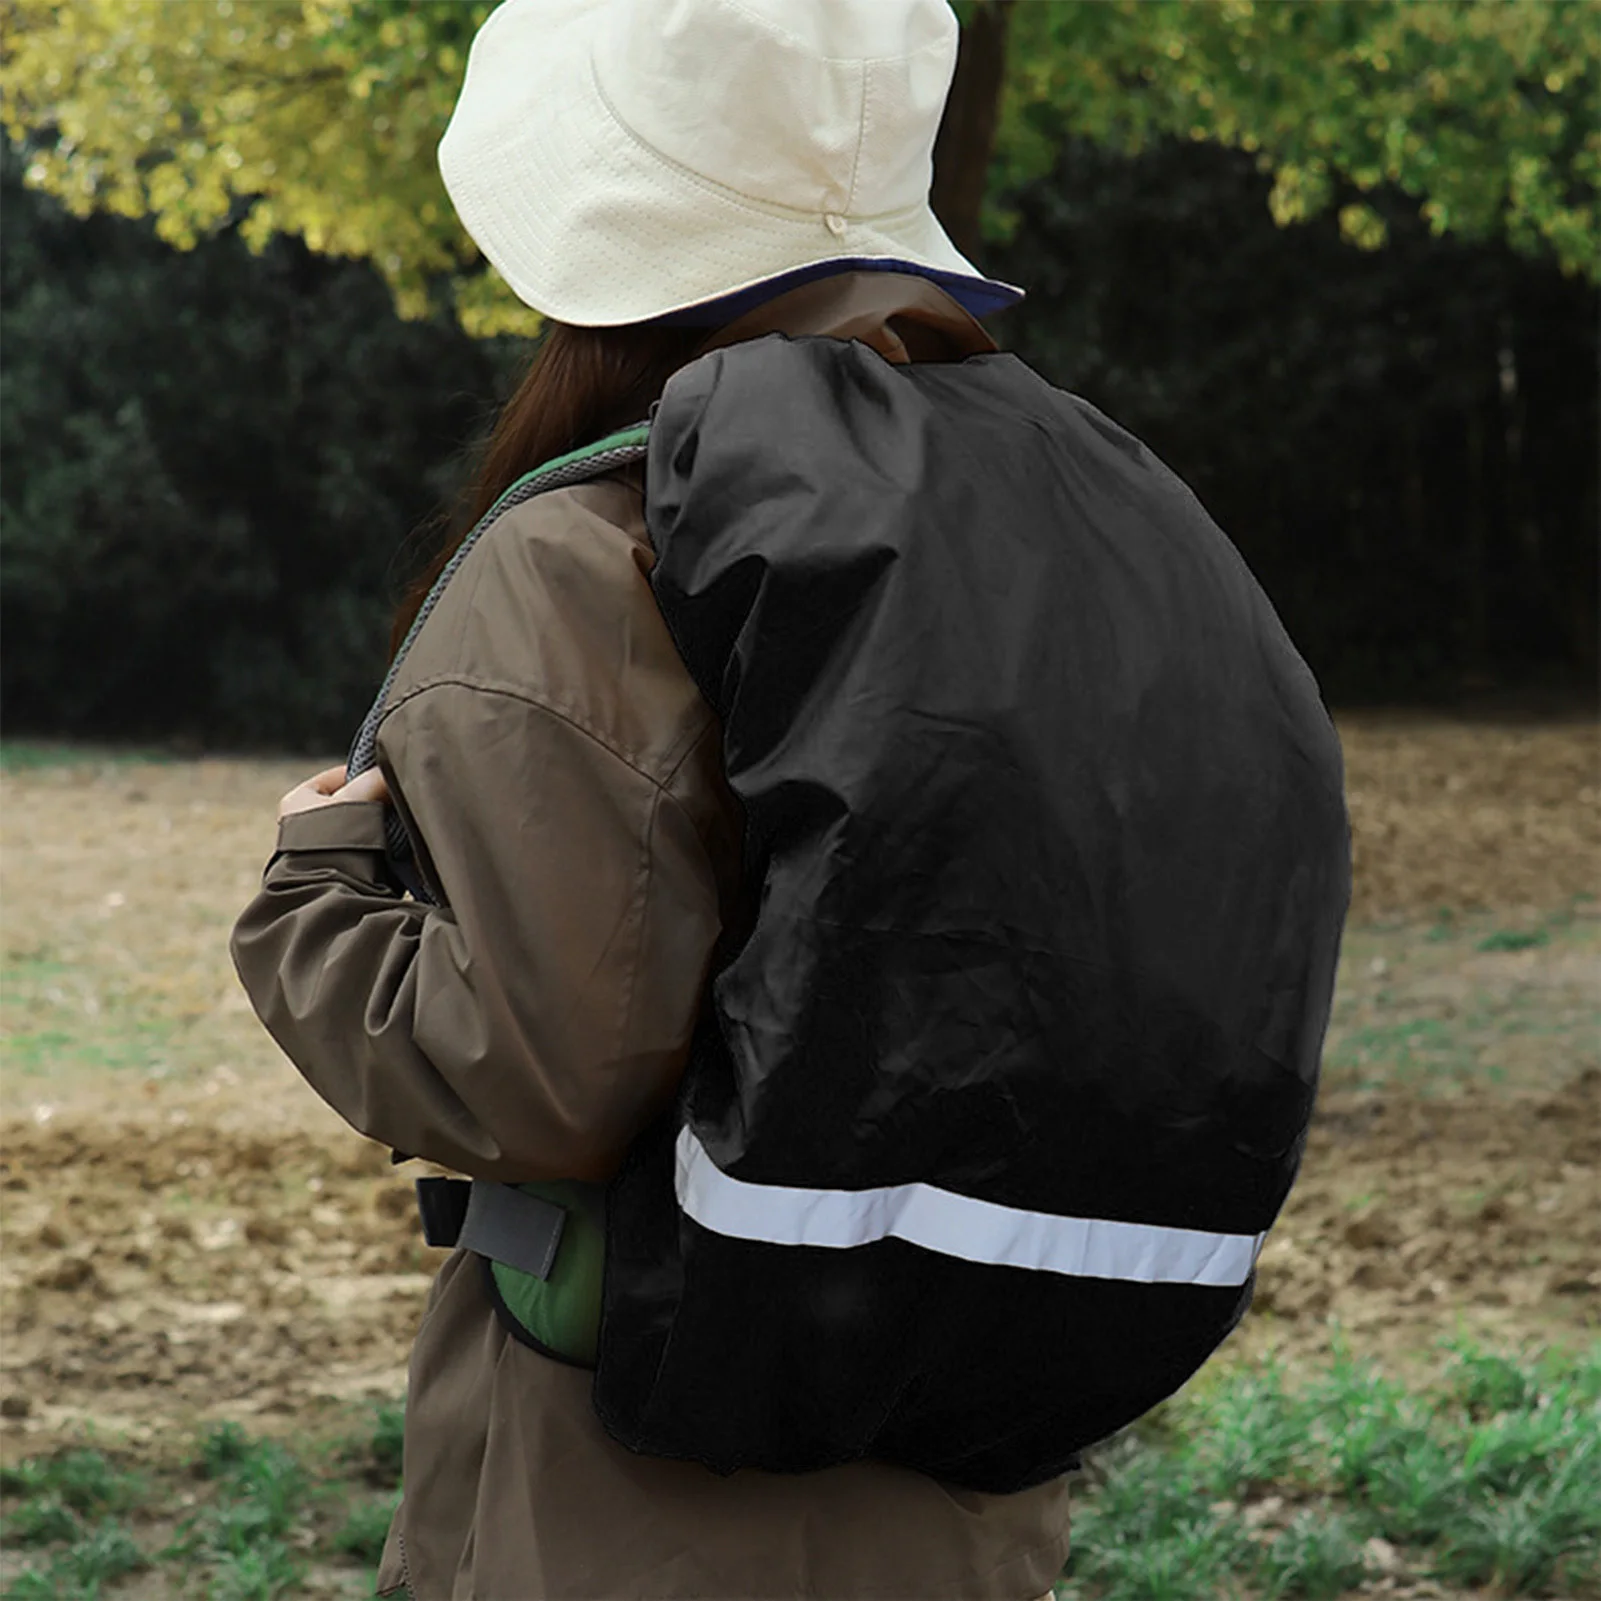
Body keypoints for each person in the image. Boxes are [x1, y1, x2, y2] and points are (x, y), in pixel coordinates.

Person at [230, 0, 1073, 1595]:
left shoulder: (586, 564)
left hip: (639, 1478)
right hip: (974, 1452)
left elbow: (535, 1075)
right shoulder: (1029, 513)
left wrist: (311, 896)